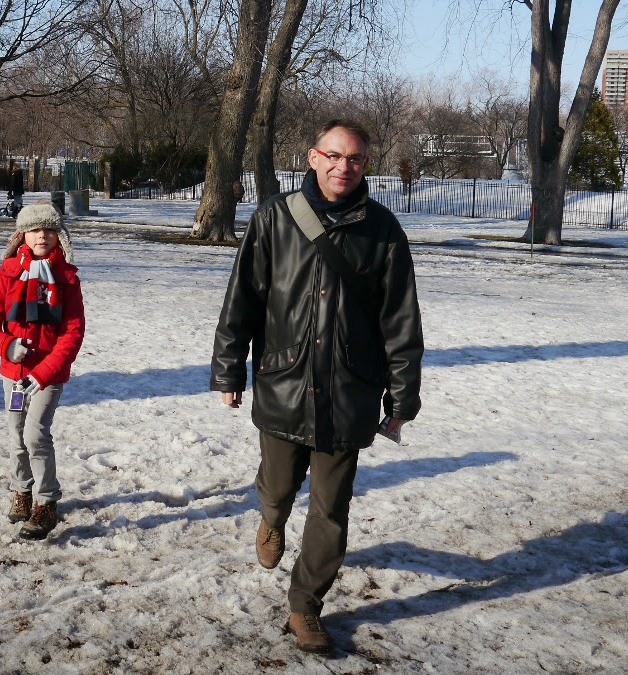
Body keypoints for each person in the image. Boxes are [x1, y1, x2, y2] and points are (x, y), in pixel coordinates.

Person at [210, 119, 424, 654]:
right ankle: (272, 517)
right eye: (333, 155)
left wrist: (402, 398)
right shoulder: (274, 219)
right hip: (284, 382)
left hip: (350, 393)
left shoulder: (383, 230)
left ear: (365, 164)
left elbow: (401, 321)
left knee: (331, 510)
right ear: (312, 157)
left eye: (353, 158)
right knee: (278, 485)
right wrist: (229, 370)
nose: (342, 167)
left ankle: (305, 606)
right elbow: (243, 301)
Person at [0, 201, 85, 540]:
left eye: (49, 229)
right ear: (23, 234)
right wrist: (6, 345)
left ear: (58, 235)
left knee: (35, 434)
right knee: (16, 435)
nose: (42, 235)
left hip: (46, 376)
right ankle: (22, 491)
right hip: (13, 373)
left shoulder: (67, 279)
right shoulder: (9, 272)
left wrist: (44, 372)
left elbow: (73, 332)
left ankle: (46, 502)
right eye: (35, 229)